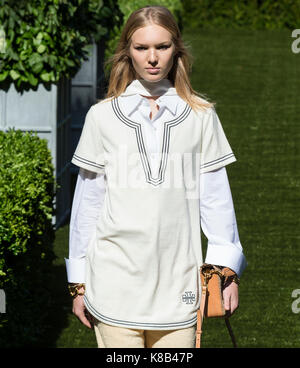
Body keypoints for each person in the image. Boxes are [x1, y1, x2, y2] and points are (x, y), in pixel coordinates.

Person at [65, 5, 247, 348]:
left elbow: (216, 199)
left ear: (176, 50)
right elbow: (88, 204)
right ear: (126, 52)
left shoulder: (201, 116)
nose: (152, 58)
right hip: (113, 284)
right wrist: (79, 284)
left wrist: (225, 273)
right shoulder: (101, 117)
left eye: (162, 47)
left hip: (179, 289)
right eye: (141, 47)